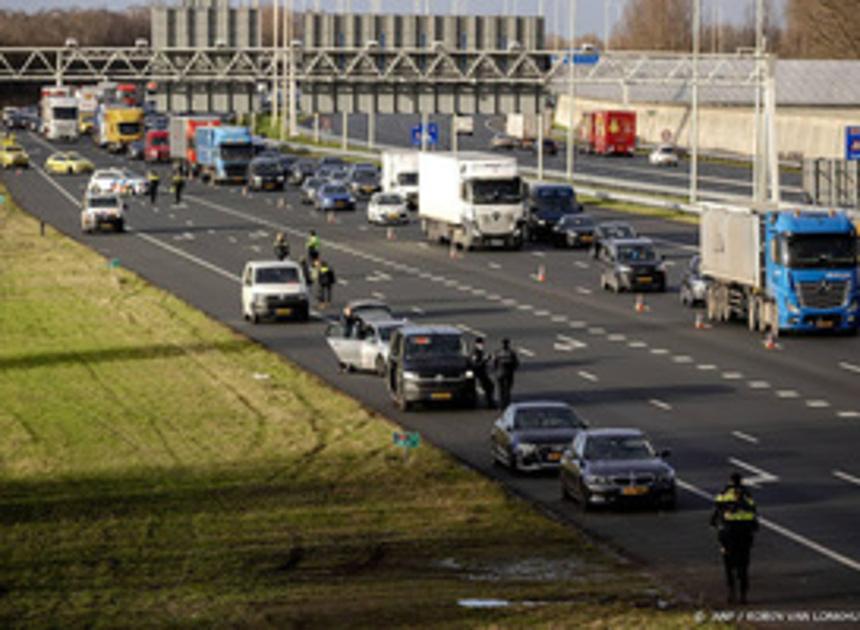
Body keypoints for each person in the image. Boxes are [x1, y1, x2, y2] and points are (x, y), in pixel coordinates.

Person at [710, 472, 759, 604]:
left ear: (730, 481)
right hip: (745, 536)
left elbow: (716, 511)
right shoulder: (748, 496)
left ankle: (731, 592)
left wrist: (714, 523)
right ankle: (743, 595)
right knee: (744, 566)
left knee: (728, 565)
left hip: (729, 535)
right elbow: (754, 516)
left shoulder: (724, 494)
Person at [493, 338, 520, 409]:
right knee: (507, 389)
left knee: (501, 389)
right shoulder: (511, 353)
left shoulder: (498, 352)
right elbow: (516, 363)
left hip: (500, 373)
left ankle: (501, 404)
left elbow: (494, 363)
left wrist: (496, 371)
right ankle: (507, 403)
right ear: (508, 344)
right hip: (508, 373)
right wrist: (513, 369)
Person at [470, 337, 496, 409]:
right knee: (488, 387)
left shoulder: (479, 352)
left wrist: (488, 358)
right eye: (480, 344)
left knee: (490, 386)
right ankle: (489, 403)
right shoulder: (475, 353)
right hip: (478, 374)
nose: (482, 345)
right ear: (476, 344)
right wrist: (485, 360)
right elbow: (475, 364)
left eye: (482, 344)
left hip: (482, 373)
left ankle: (489, 402)